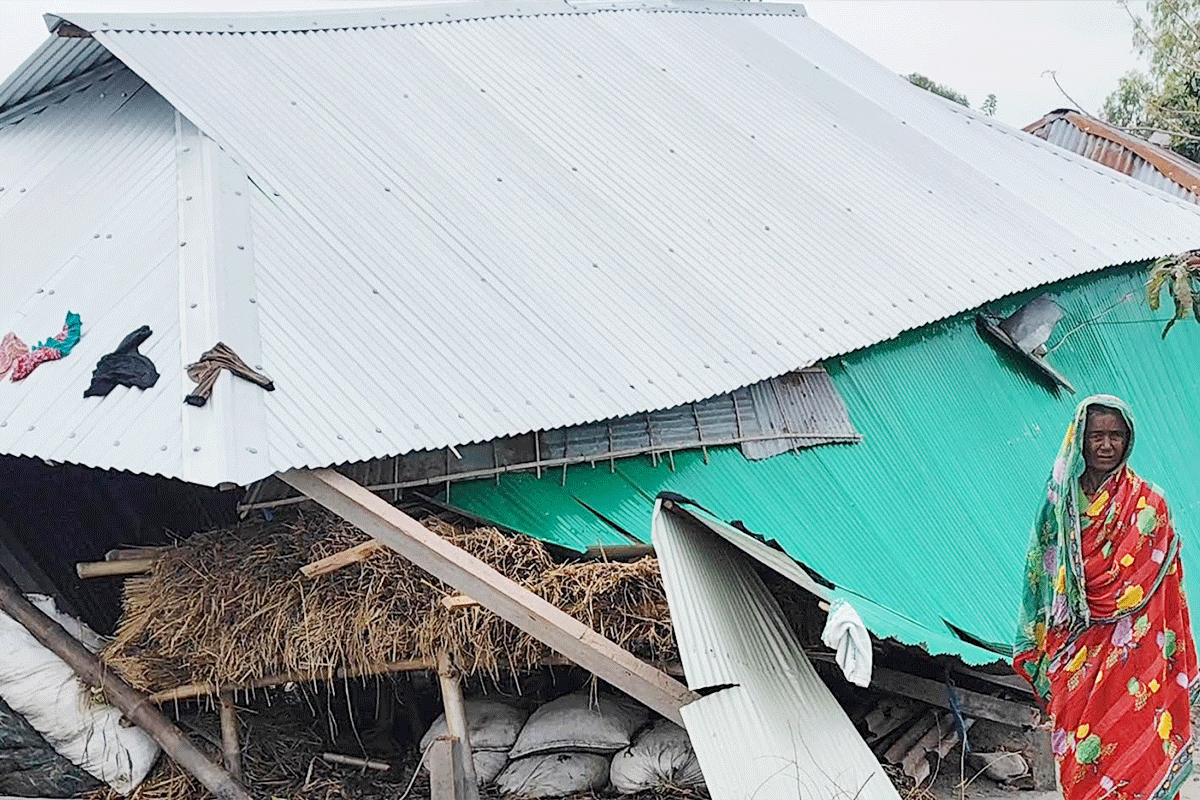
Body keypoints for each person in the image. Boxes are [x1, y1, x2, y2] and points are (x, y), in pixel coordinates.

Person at [1015, 395, 1197, 800]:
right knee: (1082, 756)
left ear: (1128, 440)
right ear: (1079, 440)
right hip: (1074, 646)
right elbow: (1040, 573)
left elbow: (1166, 588)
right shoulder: (1058, 503)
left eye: (1116, 435)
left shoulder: (1150, 503)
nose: (1106, 445)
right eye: (1097, 435)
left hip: (1132, 654)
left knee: (1133, 743)